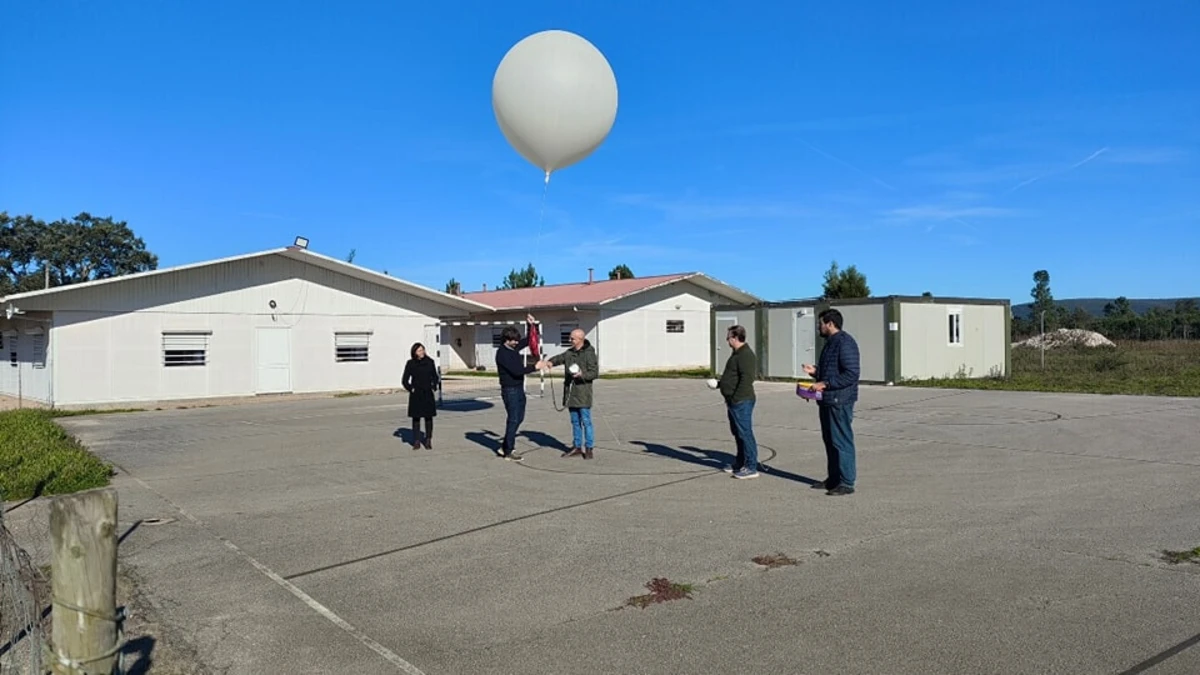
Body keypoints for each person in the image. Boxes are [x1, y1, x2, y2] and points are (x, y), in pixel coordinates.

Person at [802, 308, 861, 496]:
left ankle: (847, 482)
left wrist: (825, 383)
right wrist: (816, 372)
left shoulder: (845, 343)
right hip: (827, 399)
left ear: (830, 323)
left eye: (820, 323)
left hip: (840, 400)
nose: (818, 327)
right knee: (830, 440)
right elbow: (832, 371)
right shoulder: (830, 343)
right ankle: (834, 478)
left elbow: (851, 374)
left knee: (841, 440)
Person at [536, 328, 599, 459]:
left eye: (572, 338)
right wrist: (549, 362)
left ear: (580, 339)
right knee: (575, 421)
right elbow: (560, 358)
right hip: (570, 392)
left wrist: (582, 374)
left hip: (583, 392)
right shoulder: (569, 353)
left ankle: (589, 448)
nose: (570, 340)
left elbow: (594, 373)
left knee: (586, 421)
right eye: (570, 338)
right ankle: (576, 446)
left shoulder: (589, 353)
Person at [495, 314, 539, 461]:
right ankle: (509, 450)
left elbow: (528, 340)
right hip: (510, 390)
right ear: (506, 340)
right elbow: (517, 371)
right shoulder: (502, 353)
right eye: (513, 341)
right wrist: (535, 367)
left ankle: (504, 445)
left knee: (519, 418)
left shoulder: (513, 348)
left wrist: (531, 325)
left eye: (516, 340)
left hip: (519, 388)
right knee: (513, 419)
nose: (516, 343)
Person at [718, 325, 759, 479]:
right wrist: (721, 384)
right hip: (733, 401)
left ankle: (751, 466)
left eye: (728, 337)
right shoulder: (736, 354)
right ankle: (740, 462)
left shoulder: (746, 355)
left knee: (745, 433)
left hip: (741, 401)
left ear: (735, 338)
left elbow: (746, 380)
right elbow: (733, 377)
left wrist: (735, 399)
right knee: (737, 433)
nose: (727, 340)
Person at [401, 342, 439, 449]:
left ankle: (428, 440)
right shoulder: (410, 363)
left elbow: (435, 377)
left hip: (427, 393)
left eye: (423, 350)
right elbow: (404, 380)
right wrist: (411, 389)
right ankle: (416, 440)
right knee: (416, 418)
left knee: (428, 418)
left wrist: (434, 385)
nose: (422, 352)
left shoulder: (430, 362)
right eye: (419, 350)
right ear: (414, 352)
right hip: (416, 394)